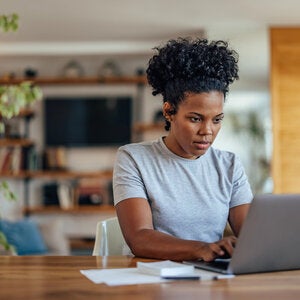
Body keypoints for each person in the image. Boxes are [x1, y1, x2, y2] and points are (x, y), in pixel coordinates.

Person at [113, 37, 253, 262]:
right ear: (169, 111)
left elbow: (252, 237)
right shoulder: (133, 158)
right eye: (195, 118)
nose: (207, 130)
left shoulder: (229, 165)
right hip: (149, 279)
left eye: (217, 120)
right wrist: (203, 249)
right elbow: (139, 238)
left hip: (210, 276)